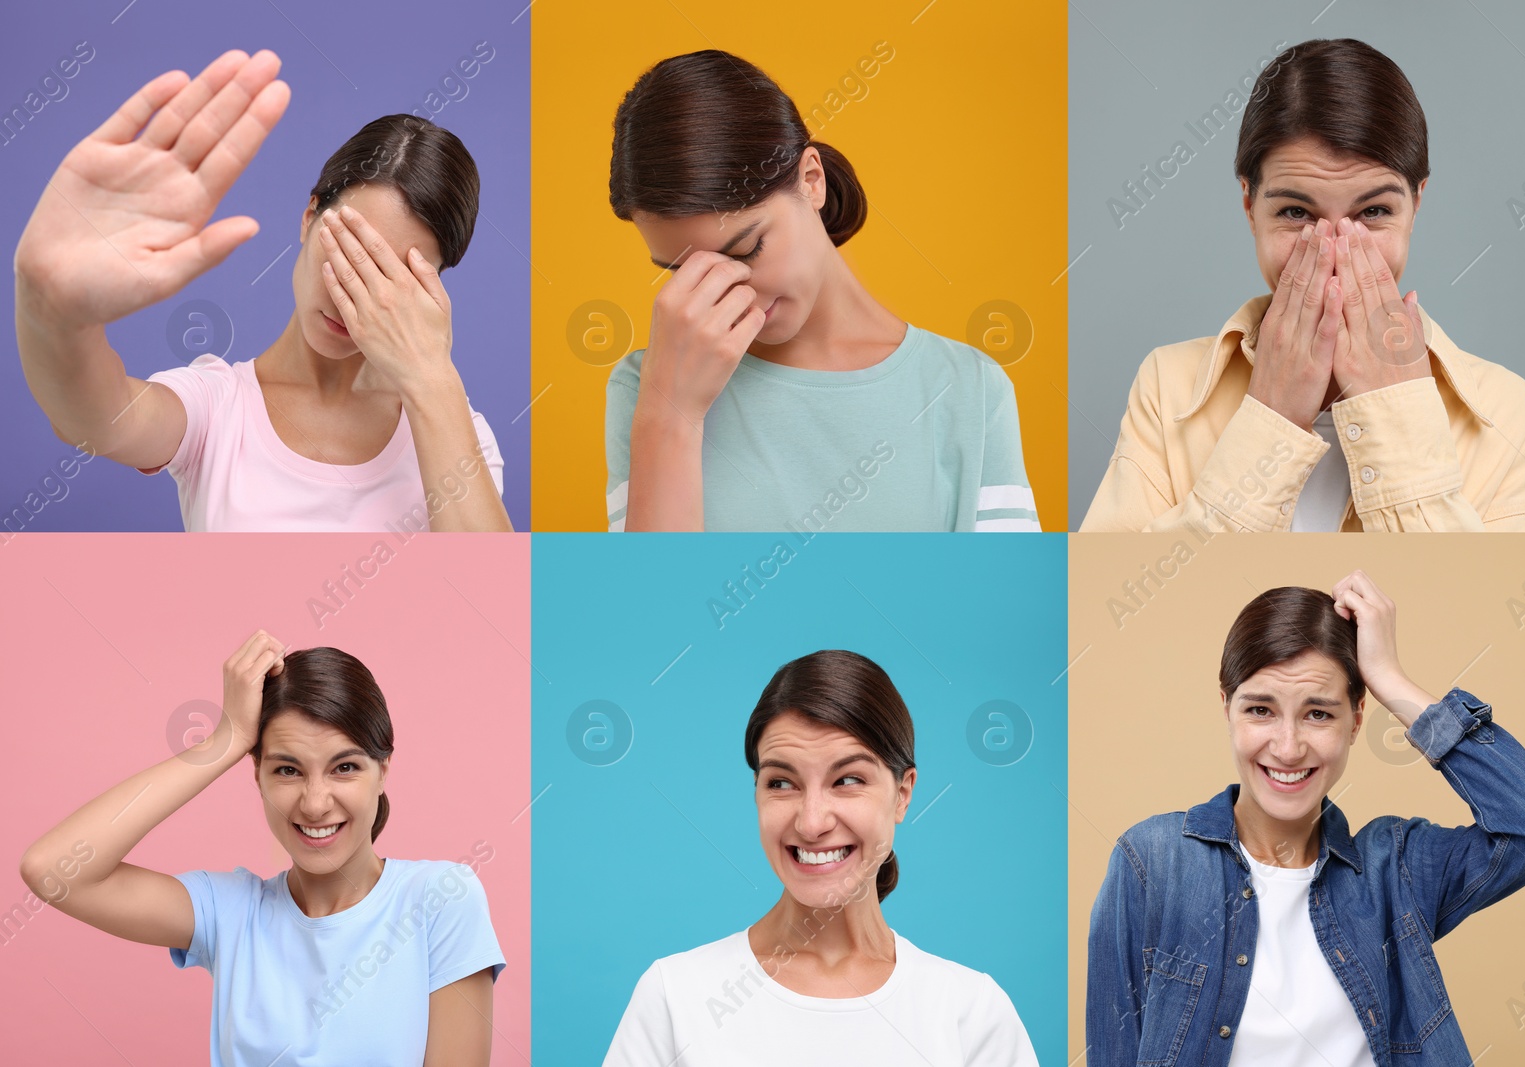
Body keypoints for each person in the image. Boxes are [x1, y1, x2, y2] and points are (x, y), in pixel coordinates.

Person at [1085, 573, 1525, 1065]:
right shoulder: (1152, 862)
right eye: (1260, 709)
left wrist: (1390, 678)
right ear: (1226, 708)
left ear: (1357, 720)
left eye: (1318, 714)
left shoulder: (1396, 871)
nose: (1287, 746)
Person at [13, 49, 511, 532]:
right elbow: (96, 419)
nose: (348, 297)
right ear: (310, 217)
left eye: (388, 276)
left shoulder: (457, 434)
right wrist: (52, 312)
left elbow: (492, 601)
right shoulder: (215, 409)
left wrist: (432, 380)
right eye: (349, 250)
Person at [1080, 38, 1525, 532]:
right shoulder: (1166, 386)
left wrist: (1396, 413)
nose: (1335, 250)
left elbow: (1476, 609)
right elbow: (1122, 605)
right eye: (1297, 213)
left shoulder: (1505, 409)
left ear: (1417, 204)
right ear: (1249, 205)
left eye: (1373, 212)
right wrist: (1270, 421)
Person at [19, 632, 505, 1065]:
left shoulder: (440, 898)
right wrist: (225, 740)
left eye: (345, 767)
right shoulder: (230, 912)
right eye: (287, 769)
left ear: (384, 770)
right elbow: (53, 870)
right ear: (256, 775)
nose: (315, 803)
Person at [604, 50, 1039, 533]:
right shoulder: (647, 386)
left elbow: (1003, 605)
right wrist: (670, 416)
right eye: (686, 273)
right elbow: (653, 607)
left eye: (747, 250)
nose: (729, 296)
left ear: (811, 181)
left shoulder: (967, 391)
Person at [602, 650, 1040, 1065]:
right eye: (781, 783)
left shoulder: (973, 1014)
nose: (811, 823)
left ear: (903, 794)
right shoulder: (675, 998)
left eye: (847, 779)